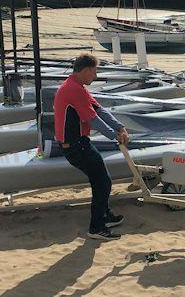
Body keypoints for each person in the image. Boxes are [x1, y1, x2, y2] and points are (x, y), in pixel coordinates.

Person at [54, 53, 130, 240]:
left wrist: (120, 127)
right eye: (94, 72)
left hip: (80, 143)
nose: (95, 76)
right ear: (86, 70)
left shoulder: (76, 86)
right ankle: (96, 227)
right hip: (75, 146)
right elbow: (92, 120)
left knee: (101, 181)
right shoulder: (73, 89)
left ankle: (105, 217)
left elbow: (99, 110)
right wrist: (114, 136)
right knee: (102, 182)